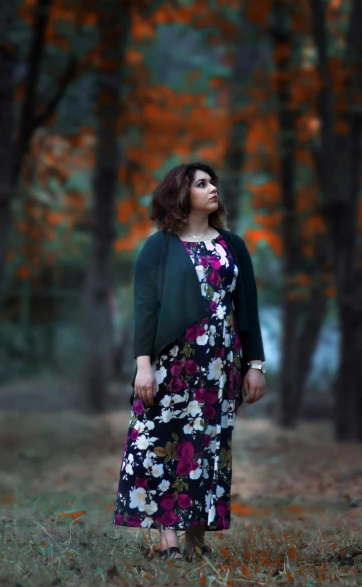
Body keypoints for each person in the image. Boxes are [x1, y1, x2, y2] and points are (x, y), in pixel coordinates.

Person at [113, 162, 266, 561]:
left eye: (213, 181)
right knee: (165, 445)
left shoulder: (233, 245)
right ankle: (170, 544)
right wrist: (142, 365)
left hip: (218, 368)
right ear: (181, 194)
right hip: (172, 364)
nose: (212, 188)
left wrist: (255, 364)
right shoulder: (159, 246)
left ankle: (197, 541)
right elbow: (145, 308)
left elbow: (247, 307)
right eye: (201, 184)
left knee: (207, 447)